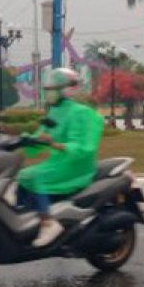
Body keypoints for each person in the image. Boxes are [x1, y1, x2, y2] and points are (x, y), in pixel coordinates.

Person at [18, 67, 103, 247]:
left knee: (38, 176)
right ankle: (28, 219)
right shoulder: (54, 112)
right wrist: (28, 140)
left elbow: (83, 147)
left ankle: (48, 223)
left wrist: (56, 144)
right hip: (58, 162)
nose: (48, 93)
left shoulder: (80, 113)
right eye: (47, 89)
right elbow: (42, 137)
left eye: (52, 89)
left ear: (66, 89)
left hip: (76, 166)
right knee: (21, 175)